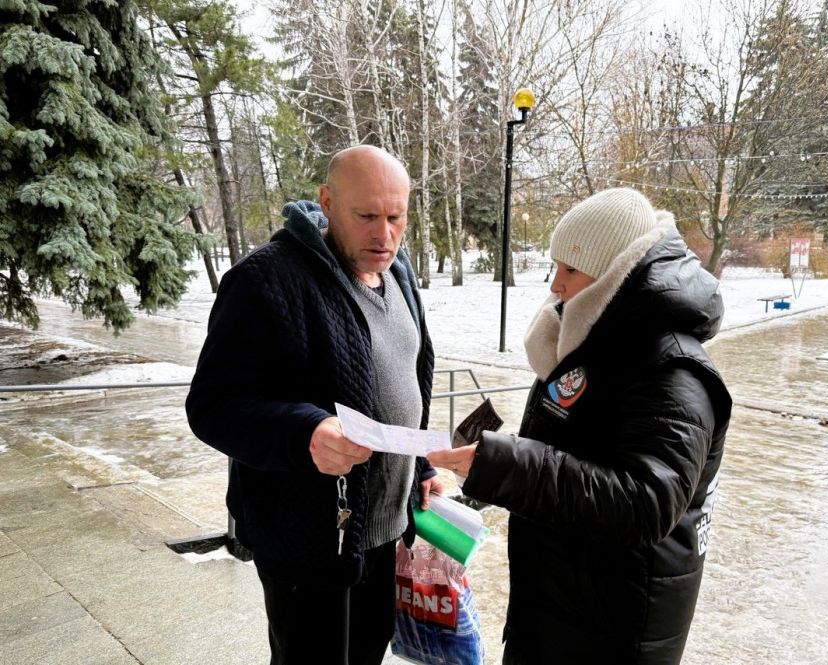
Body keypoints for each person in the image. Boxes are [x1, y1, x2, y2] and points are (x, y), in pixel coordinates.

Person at [429, 187, 732, 664]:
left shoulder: (672, 370)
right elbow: (555, 452)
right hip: (558, 606)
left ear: (614, 273)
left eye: (570, 269)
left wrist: (503, 465)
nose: (555, 285)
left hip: (612, 628)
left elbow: (648, 502)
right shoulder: (586, 344)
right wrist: (474, 477)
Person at [186, 145, 443, 665]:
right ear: (327, 202)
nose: (384, 234)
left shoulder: (398, 272)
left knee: (368, 654)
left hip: (386, 531)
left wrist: (419, 465)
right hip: (307, 544)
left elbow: (404, 378)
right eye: (367, 216)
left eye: (396, 217)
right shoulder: (266, 279)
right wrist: (304, 433)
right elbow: (213, 405)